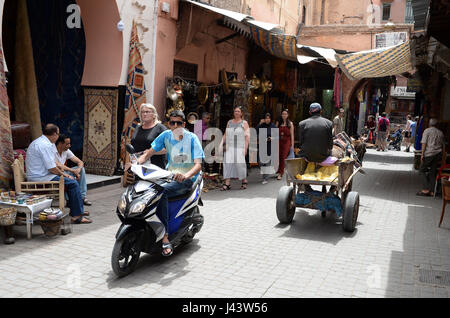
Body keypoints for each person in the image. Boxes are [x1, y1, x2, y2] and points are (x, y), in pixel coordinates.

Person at [137, 110, 204, 256]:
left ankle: (165, 236)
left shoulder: (192, 138)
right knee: (148, 189)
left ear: (184, 124)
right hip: (168, 176)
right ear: (168, 124)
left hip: (186, 180)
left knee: (161, 192)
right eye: (172, 123)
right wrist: (137, 163)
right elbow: (149, 152)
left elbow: (198, 164)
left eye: (178, 123)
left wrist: (186, 176)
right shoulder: (166, 135)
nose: (175, 125)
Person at [26, 124, 91, 224]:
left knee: (71, 181)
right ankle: (77, 216)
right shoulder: (45, 145)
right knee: (73, 183)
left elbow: (53, 166)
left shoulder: (39, 142)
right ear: (54, 134)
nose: (58, 136)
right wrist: (65, 175)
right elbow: (52, 168)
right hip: (41, 178)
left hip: (40, 175)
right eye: (58, 134)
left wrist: (66, 174)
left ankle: (76, 211)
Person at [55, 134, 91, 206]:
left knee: (81, 170)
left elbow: (80, 162)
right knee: (64, 174)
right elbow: (58, 165)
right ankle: (68, 200)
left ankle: (82, 197)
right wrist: (72, 171)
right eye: (67, 144)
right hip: (56, 173)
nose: (69, 145)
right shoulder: (51, 151)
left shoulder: (66, 151)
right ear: (60, 144)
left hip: (63, 171)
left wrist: (78, 169)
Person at [220, 106, 250, 190]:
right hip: (230, 146)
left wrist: (245, 148)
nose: (236, 112)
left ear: (241, 113)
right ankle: (227, 183)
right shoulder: (229, 122)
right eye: (235, 111)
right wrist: (220, 144)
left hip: (240, 146)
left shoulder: (244, 123)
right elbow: (225, 134)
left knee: (240, 164)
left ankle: (244, 180)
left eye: (238, 111)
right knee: (227, 164)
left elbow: (247, 137)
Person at [130, 103, 167, 169]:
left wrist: (151, 152)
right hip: (138, 165)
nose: (144, 114)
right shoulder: (138, 128)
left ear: (154, 114)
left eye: (147, 112)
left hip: (155, 166)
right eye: (142, 112)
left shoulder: (160, 128)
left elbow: (168, 148)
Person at [417, 118, 445, 197]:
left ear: (429, 124)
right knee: (432, 173)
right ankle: (432, 191)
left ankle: (425, 189)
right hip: (437, 154)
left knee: (422, 170)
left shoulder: (427, 131)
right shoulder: (440, 132)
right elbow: (443, 145)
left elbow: (424, 143)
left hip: (429, 154)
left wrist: (422, 154)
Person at [256, 113, 277, 184]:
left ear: (270, 119)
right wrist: (259, 123)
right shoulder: (261, 125)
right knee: (260, 162)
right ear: (264, 119)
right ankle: (264, 174)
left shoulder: (273, 126)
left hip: (269, 146)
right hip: (262, 146)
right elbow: (256, 131)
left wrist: (272, 138)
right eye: (266, 118)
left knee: (267, 163)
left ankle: (265, 178)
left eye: (269, 118)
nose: (267, 119)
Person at [275, 109, 294, 180]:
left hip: (287, 142)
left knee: (283, 157)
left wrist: (292, 145)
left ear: (288, 115)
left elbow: (292, 135)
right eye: (283, 114)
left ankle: (280, 173)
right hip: (279, 141)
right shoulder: (278, 123)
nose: (284, 115)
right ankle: (279, 169)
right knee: (279, 156)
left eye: (285, 114)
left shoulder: (290, 124)